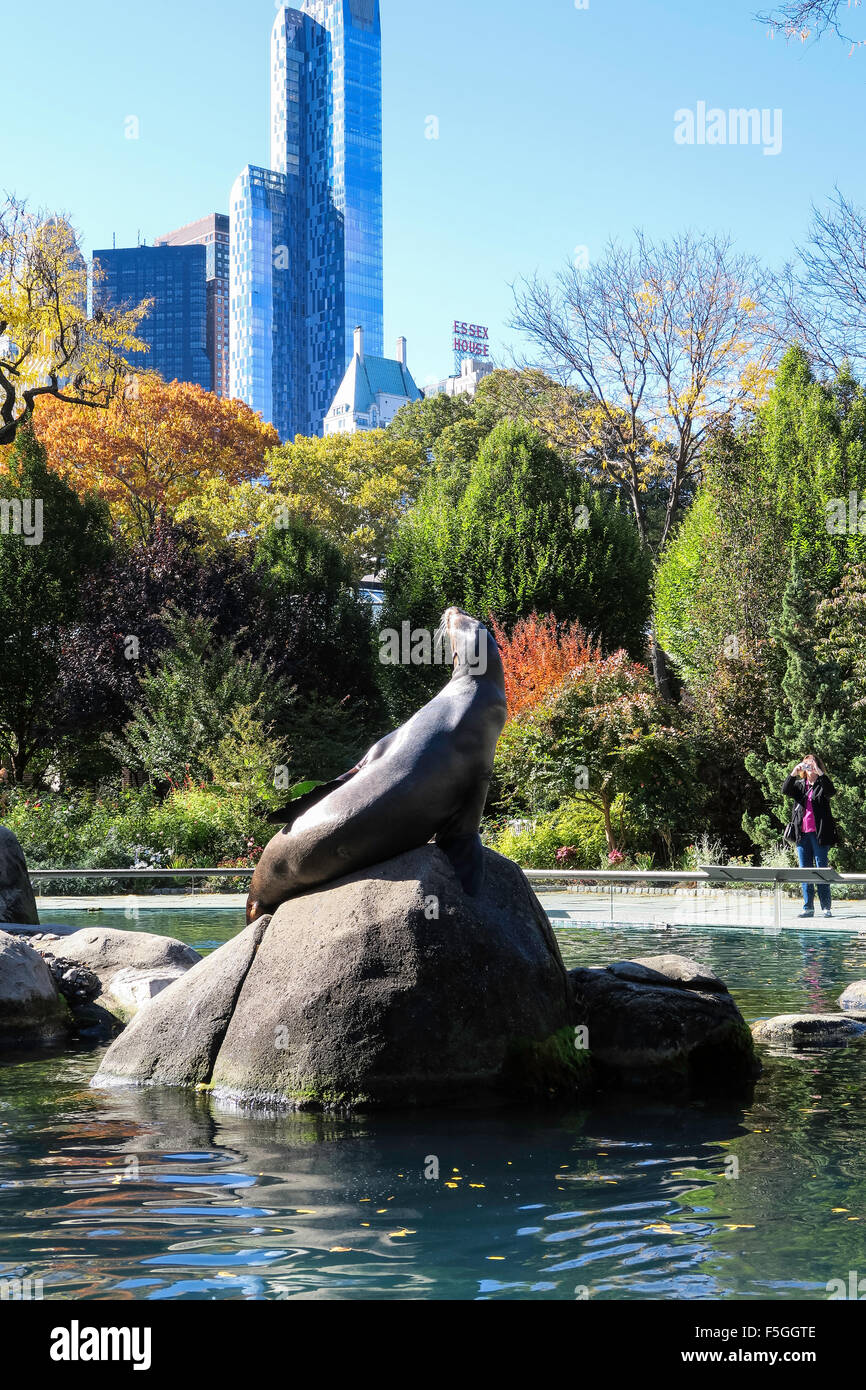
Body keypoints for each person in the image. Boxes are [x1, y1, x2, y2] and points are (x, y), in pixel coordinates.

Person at [782, 755, 839, 919]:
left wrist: (819, 772)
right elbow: (785, 790)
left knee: (821, 870)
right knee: (805, 871)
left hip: (819, 834)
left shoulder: (822, 784)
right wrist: (793, 772)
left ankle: (826, 907)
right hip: (802, 835)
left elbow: (832, 791)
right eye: (806, 765)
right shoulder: (800, 785)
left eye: (811, 764)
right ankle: (808, 907)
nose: (808, 768)